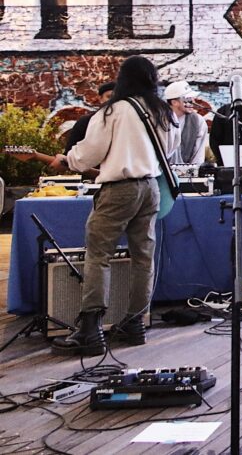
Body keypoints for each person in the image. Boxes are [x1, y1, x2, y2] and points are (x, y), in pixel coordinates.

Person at [48, 56, 178, 354]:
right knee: (143, 257)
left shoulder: (113, 112)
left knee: (99, 255)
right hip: (150, 188)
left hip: (119, 188)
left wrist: (69, 159)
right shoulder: (162, 111)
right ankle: (134, 323)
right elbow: (168, 151)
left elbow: (88, 155)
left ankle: (91, 329)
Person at [163, 80, 208, 165]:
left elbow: (198, 155)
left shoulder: (198, 121)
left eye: (192, 98)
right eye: (187, 99)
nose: (192, 102)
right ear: (174, 102)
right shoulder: (160, 120)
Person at [63, 81, 115, 153]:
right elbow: (69, 153)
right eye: (109, 97)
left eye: (117, 98)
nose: (113, 101)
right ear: (100, 98)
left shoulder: (127, 122)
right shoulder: (85, 122)